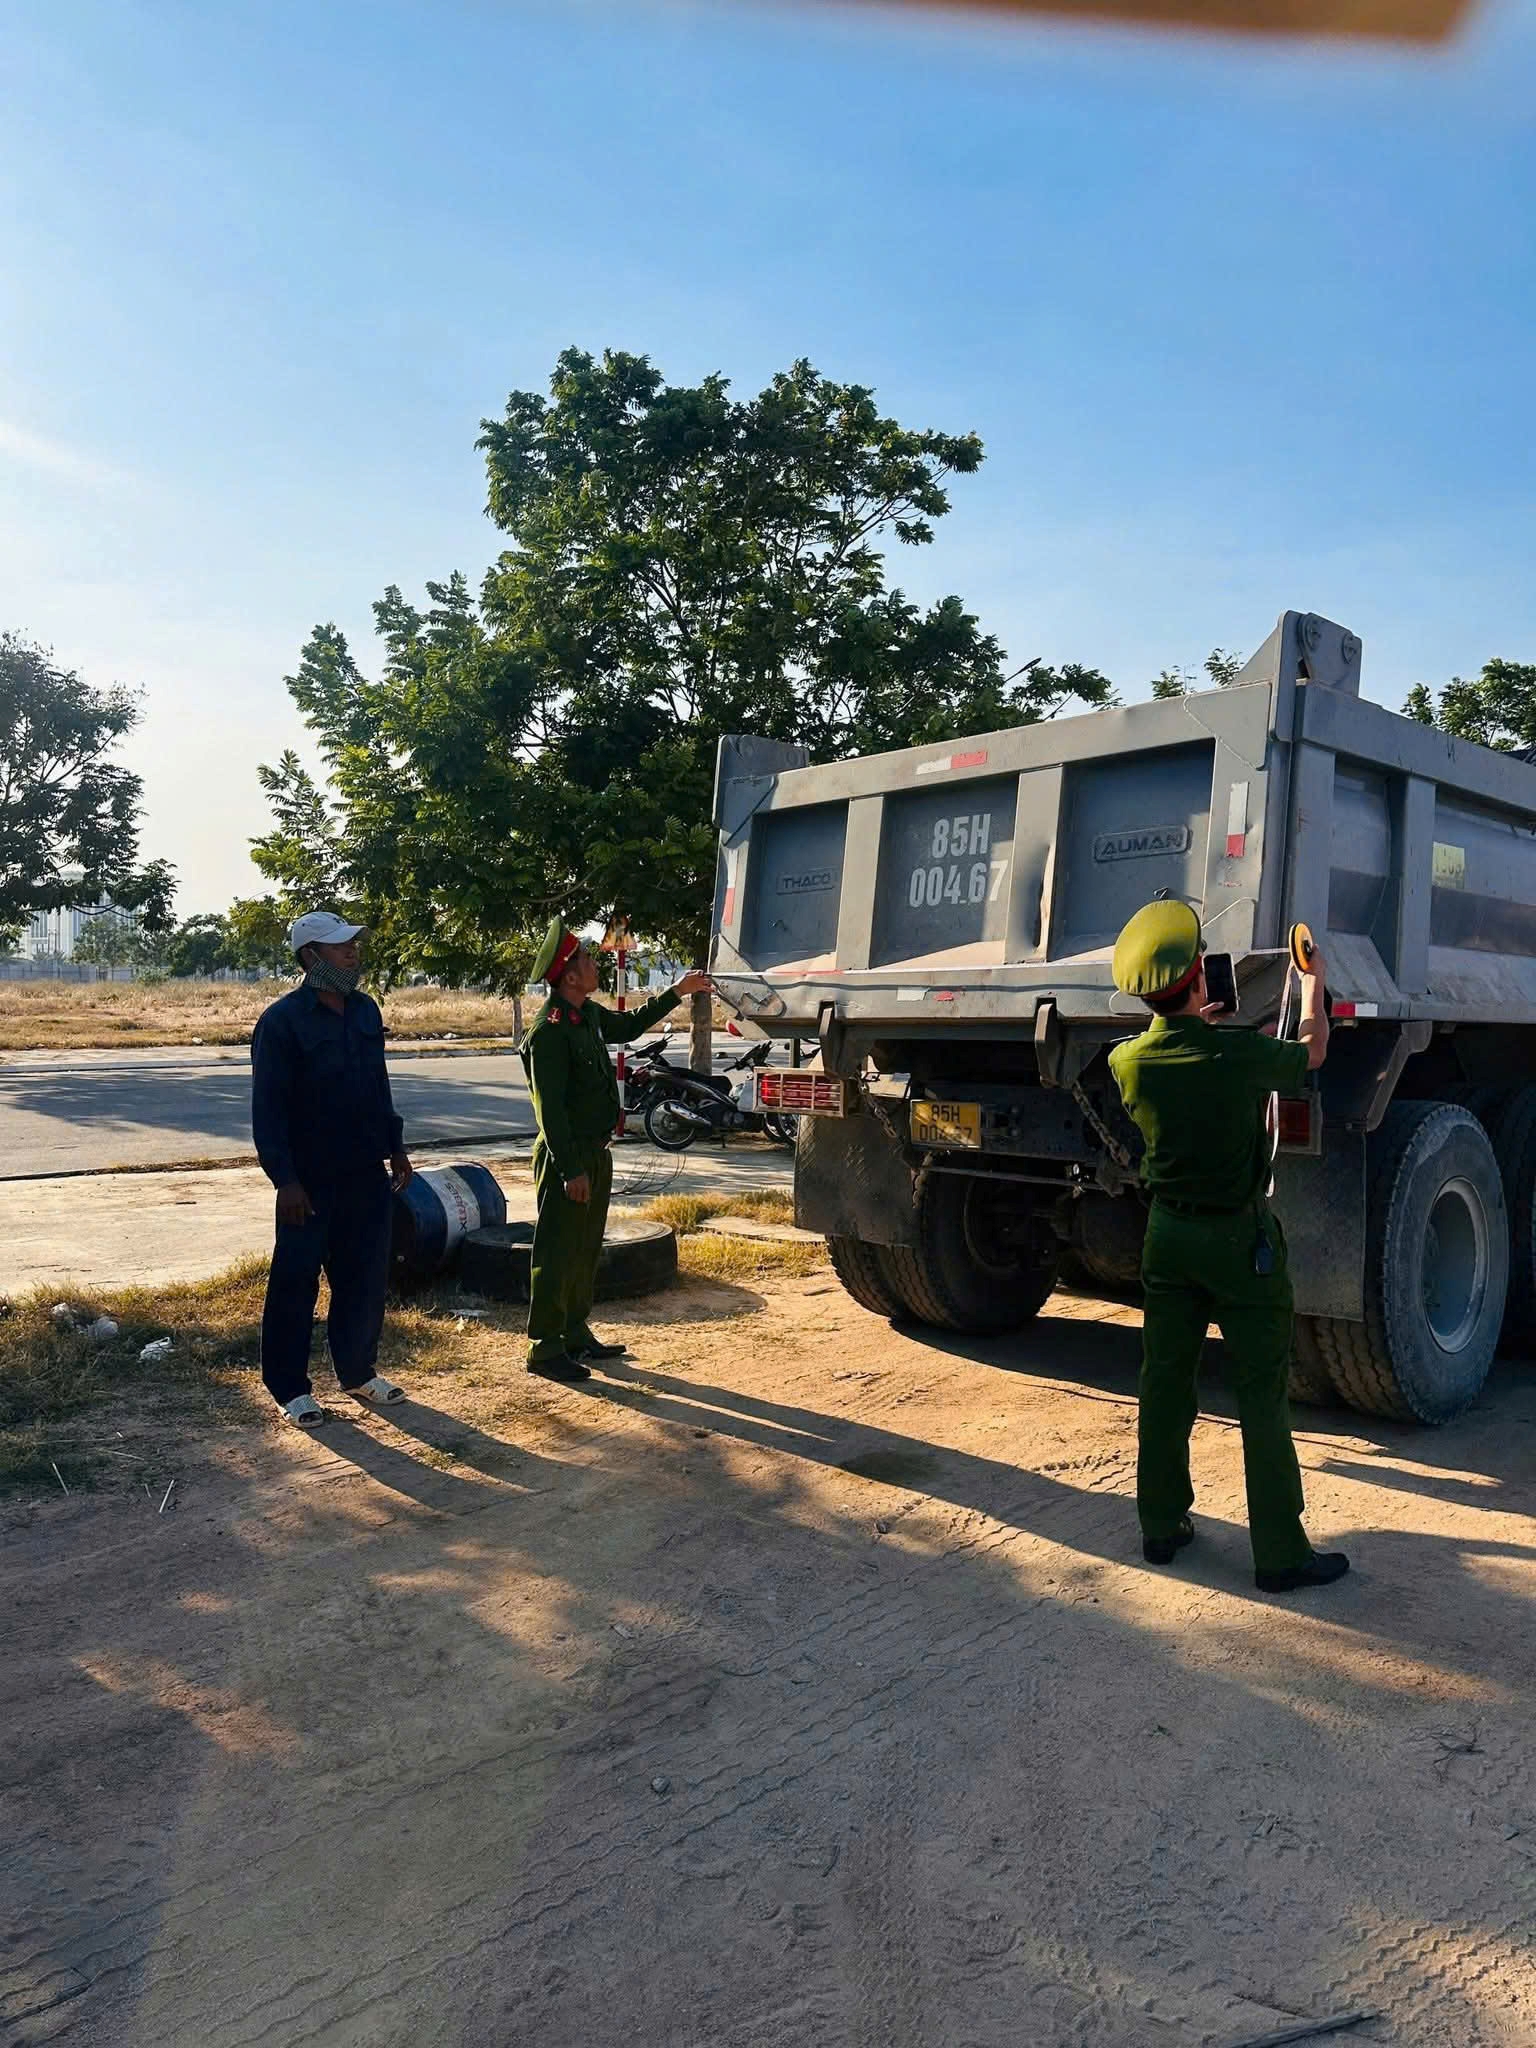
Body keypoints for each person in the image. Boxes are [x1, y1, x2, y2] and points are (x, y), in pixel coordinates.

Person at [1106, 900, 1348, 1594]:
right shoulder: (1239, 1054)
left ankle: (1162, 1525)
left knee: (1164, 1384)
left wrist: (1190, 1027)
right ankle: (1279, 1555)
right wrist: (1311, 982)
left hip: (1168, 1238)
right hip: (1239, 1242)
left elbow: (1174, 1054)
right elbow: (1312, 1051)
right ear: (1198, 980)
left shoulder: (1129, 1062)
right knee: (1261, 1395)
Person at [522, 918, 711, 1382]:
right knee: (557, 1250)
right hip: (568, 1157)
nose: (595, 965)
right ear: (568, 975)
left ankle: (574, 1333)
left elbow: (627, 1027)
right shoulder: (549, 1032)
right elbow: (552, 1113)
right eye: (587, 960)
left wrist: (676, 992)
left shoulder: (585, 1014)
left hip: (595, 1153)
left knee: (585, 1248)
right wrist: (570, 1170)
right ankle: (544, 1349)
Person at [251, 910, 414, 1427]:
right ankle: (290, 1388)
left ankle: (357, 1372)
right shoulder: (281, 1023)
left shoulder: (365, 1012)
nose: (352, 954)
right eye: (340, 947)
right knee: (296, 1282)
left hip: (365, 1172)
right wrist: (286, 1181)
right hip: (310, 1182)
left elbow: (378, 1085)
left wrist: (396, 1146)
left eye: (353, 946)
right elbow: (269, 1110)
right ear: (310, 957)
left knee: (364, 1277)